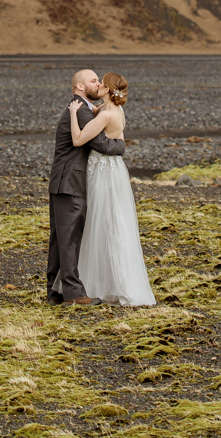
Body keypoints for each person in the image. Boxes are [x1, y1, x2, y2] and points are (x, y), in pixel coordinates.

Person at [69, 71, 156, 306]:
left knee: (101, 223)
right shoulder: (116, 111)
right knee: (115, 221)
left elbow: (78, 140)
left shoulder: (106, 115)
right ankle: (116, 281)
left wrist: (74, 114)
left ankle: (99, 283)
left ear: (107, 90)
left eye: (101, 84)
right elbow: (114, 134)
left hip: (102, 172)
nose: (97, 85)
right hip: (115, 169)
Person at [46, 68, 125, 306]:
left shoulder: (85, 109)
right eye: (93, 80)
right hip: (70, 182)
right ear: (80, 87)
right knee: (69, 238)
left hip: (64, 181)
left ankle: (55, 293)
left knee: (61, 238)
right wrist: (122, 145)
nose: (98, 83)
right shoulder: (80, 110)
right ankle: (73, 294)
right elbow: (102, 144)